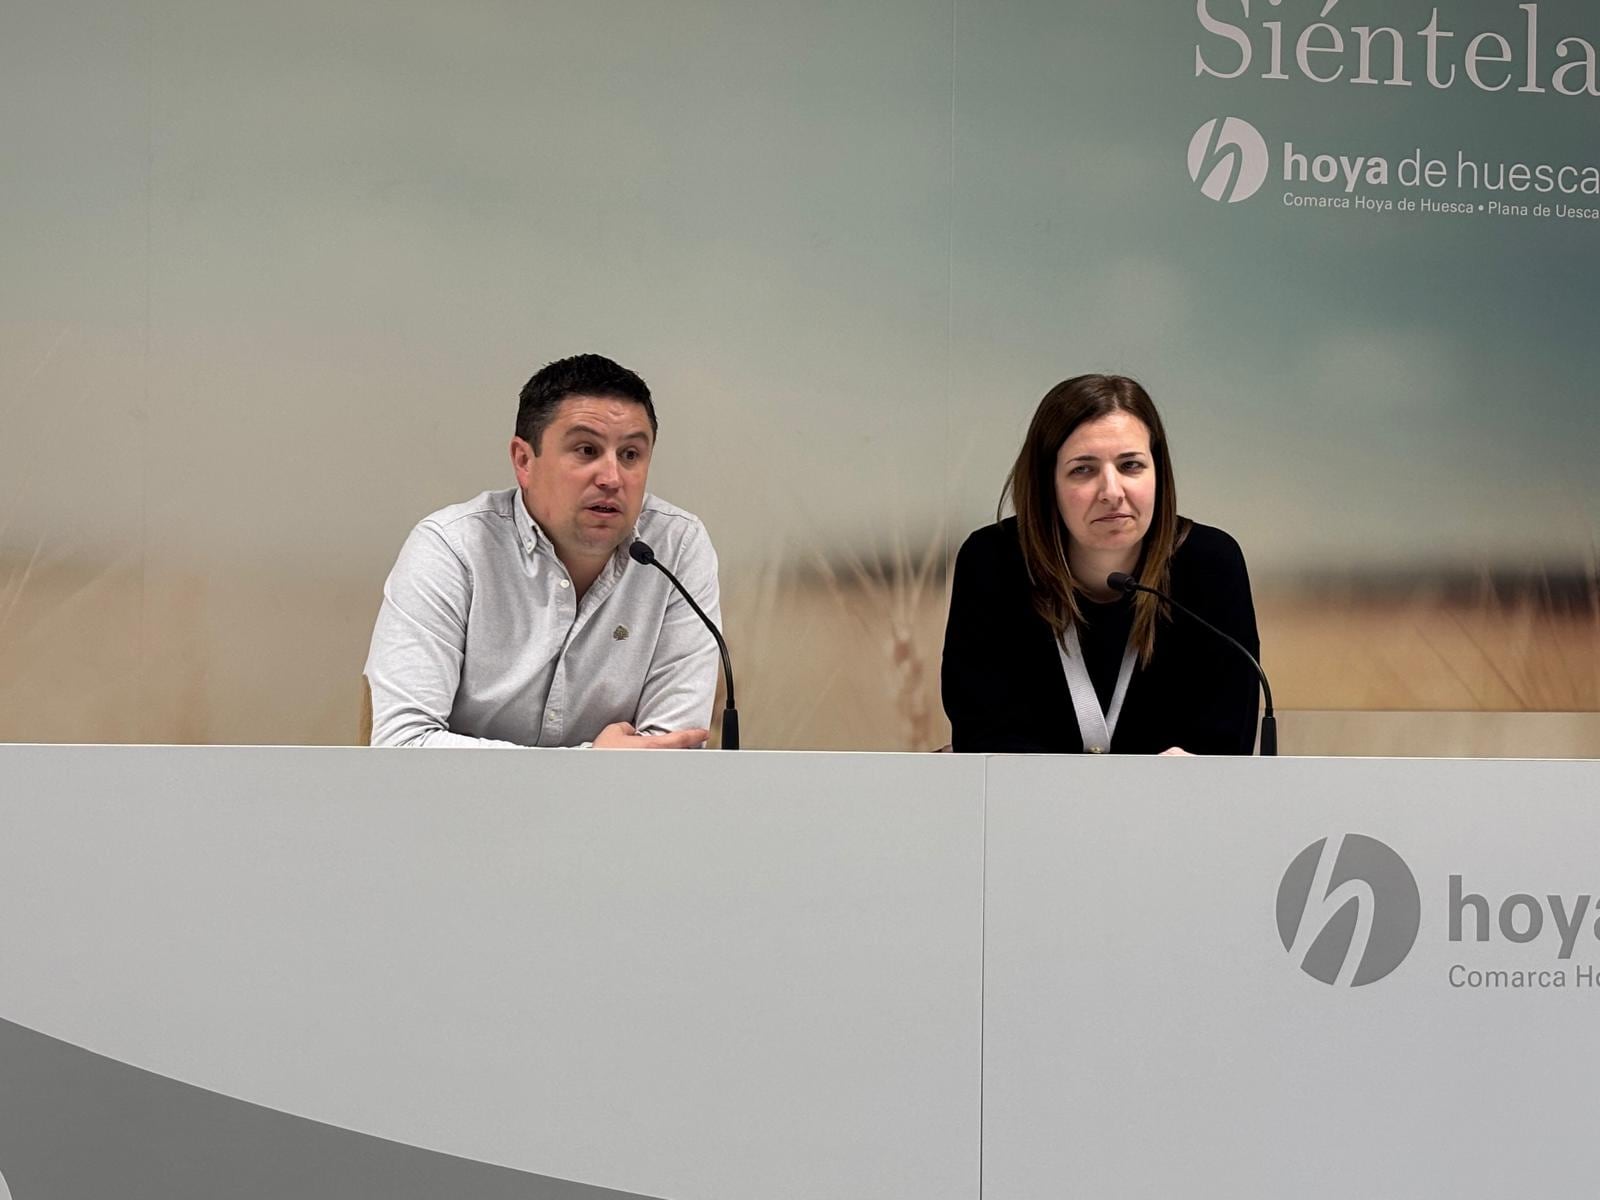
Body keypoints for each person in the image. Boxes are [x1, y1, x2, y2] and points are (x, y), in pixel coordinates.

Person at [365, 353, 720, 748]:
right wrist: (586, 767)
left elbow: (671, 750)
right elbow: (402, 746)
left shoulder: (676, 547)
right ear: (523, 460)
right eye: (586, 450)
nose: (612, 478)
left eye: (631, 455)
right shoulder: (453, 548)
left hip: (614, 811)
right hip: (460, 808)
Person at [941, 374, 1260, 755]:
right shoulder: (992, 563)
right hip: (1030, 808)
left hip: (1173, 809)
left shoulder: (1210, 564)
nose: (1112, 492)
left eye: (1130, 466)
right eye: (1083, 469)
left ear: (1158, 473)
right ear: (1047, 484)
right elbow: (984, 735)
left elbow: (1224, 742)